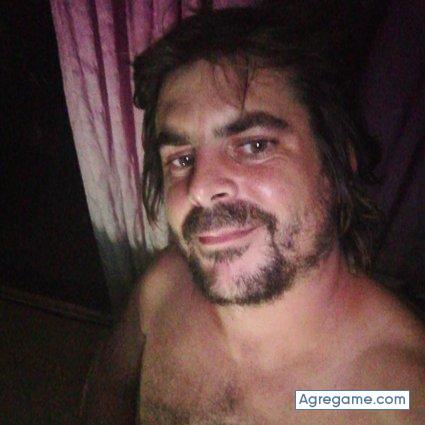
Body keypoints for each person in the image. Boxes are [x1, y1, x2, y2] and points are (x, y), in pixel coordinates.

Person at [82, 3, 425, 424]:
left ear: (337, 165)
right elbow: (111, 384)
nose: (201, 188)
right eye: (182, 159)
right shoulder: (164, 286)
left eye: (255, 145)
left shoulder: (394, 395)